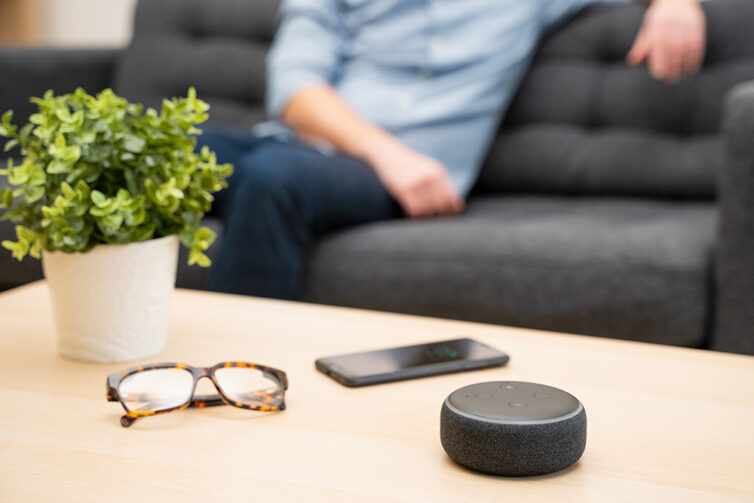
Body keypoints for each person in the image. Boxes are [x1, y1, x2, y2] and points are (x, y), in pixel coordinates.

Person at [201, 0, 706, 299]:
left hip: (402, 175)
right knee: (153, 145)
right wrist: (384, 151)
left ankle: (233, 381)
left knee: (273, 180)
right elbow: (293, 86)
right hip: (314, 143)